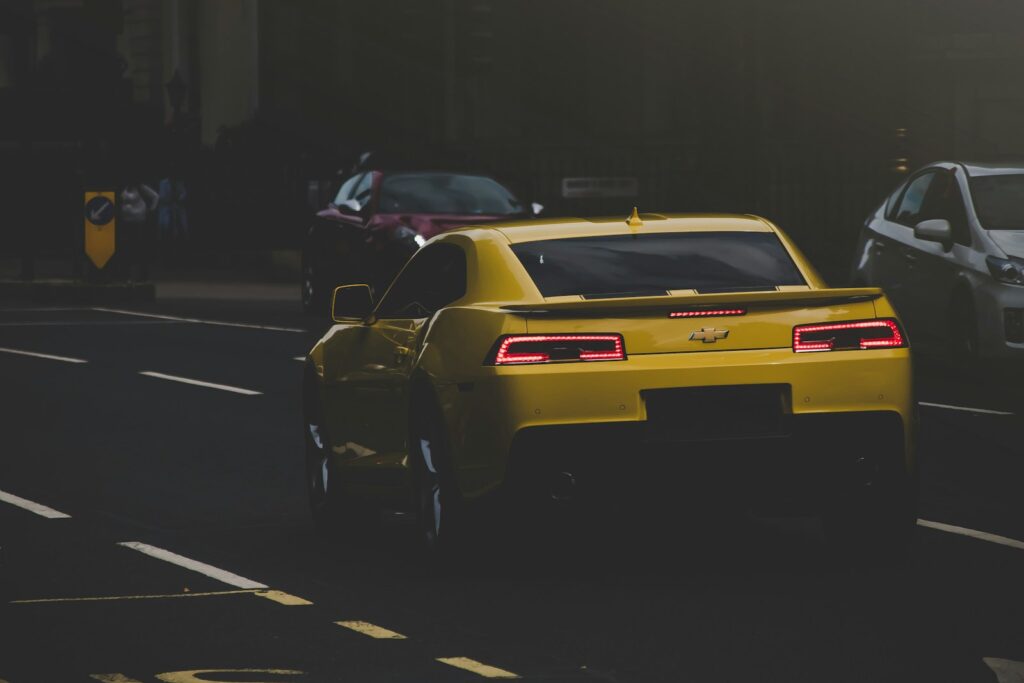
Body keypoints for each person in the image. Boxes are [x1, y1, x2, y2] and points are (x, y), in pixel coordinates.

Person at [120, 181, 159, 280]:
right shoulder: (123, 187)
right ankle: (126, 274)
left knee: (139, 247)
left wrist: (151, 210)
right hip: (125, 222)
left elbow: (155, 196)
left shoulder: (141, 187)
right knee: (127, 248)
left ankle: (142, 275)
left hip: (138, 222)